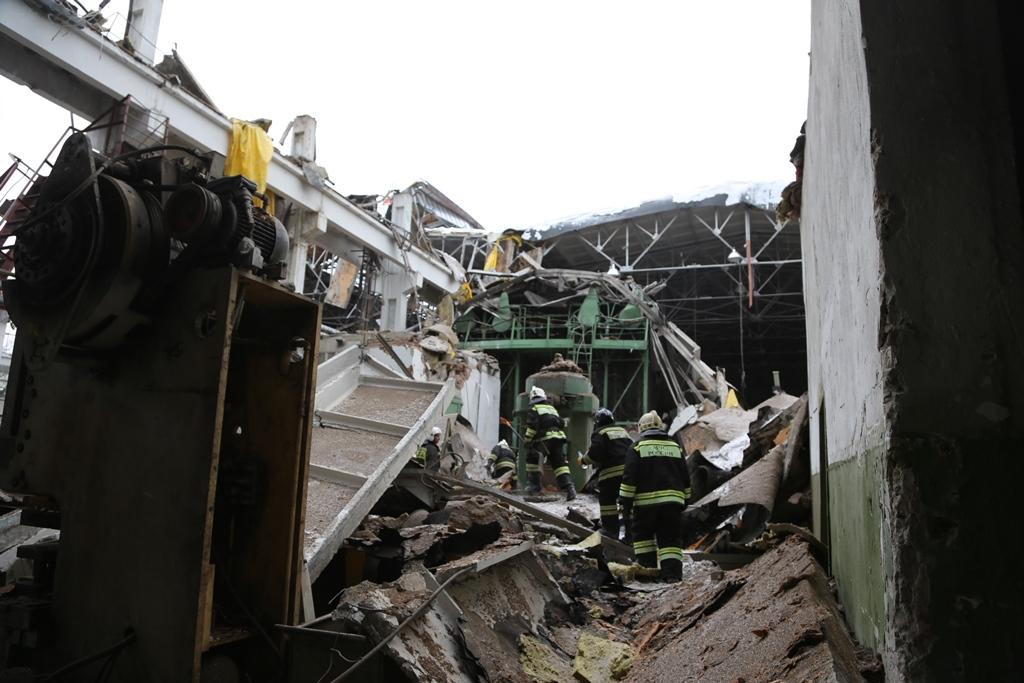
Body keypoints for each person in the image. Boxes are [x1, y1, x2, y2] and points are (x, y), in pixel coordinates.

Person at [619, 411, 691, 581]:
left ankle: (647, 573)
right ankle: (672, 576)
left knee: (643, 539)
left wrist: (625, 505)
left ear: (641, 428)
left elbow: (629, 480)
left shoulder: (637, 447)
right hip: (672, 505)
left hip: (645, 506)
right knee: (670, 541)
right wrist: (685, 500)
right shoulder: (674, 447)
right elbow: (685, 477)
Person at [581, 408, 631, 540]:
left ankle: (611, 530)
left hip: (611, 473)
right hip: (628, 473)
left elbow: (594, 454)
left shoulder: (600, 433)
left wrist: (583, 460)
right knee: (627, 503)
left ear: (598, 422)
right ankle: (630, 535)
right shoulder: (623, 431)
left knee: (607, 501)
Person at [523, 386, 576, 500]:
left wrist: (527, 440)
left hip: (545, 439)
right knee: (560, 465)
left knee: (532, 458)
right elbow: (561, 423)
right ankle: (570, 489)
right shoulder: (552, 409)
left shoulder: (534, 408)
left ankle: (534, 488)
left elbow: (532, 427)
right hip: (558, 439)